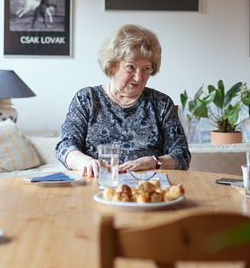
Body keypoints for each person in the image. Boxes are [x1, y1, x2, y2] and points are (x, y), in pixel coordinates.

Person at [57, 24, 190, 177]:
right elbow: (65, 147)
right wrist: (86, 162)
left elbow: (182, 156)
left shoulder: (161, 103)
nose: (139, 77)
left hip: (147, 187)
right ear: (112, 66)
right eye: (130, 67)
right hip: (98, 182)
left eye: (146, 68)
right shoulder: (87, 99)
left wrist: (153, 161)